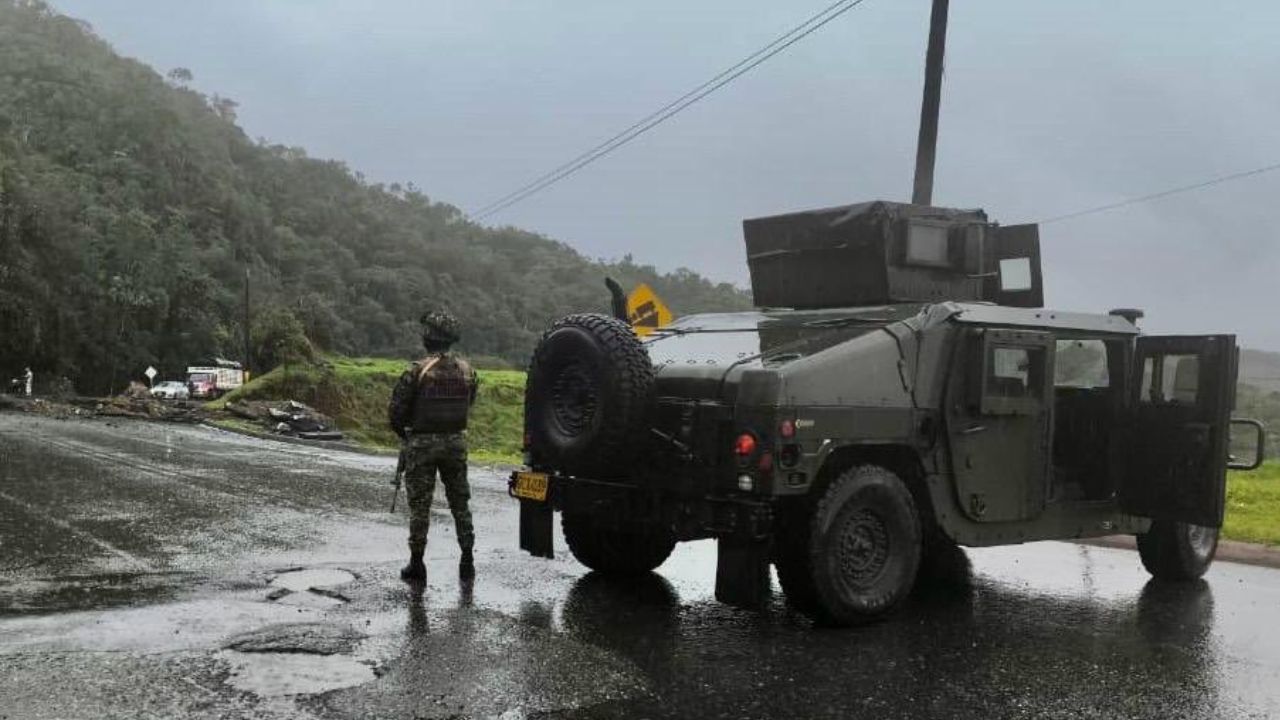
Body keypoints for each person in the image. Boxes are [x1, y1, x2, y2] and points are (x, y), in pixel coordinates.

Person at [387, 309, 479, 582]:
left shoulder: (416, 371)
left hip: (421, 443)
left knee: (420, 506)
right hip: (455, 443)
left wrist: (409, 437)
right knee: (460, 502)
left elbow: (396, 413)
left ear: (428, 338)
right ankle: (467, 560)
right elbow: (469, 403)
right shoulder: (467, 371)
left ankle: (417, 564)